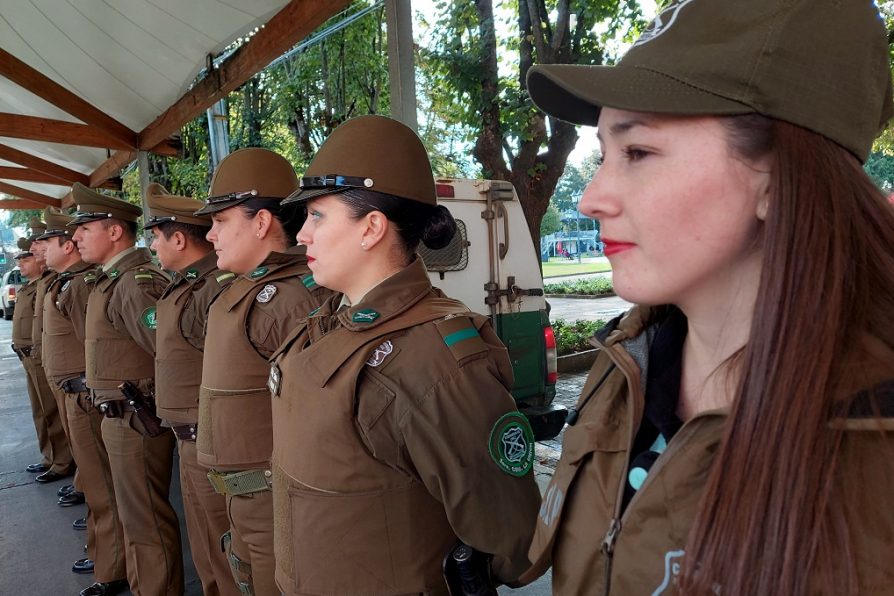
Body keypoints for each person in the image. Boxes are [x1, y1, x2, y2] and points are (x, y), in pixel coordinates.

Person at [521, 1, 894, 594]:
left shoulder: (875, 450)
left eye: (637, 153)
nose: (592, 198)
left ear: (776, 179)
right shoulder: (622, 366)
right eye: (603, 158)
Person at [269, 115, 541, 595]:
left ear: (371, 227)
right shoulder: (330, 320)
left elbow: (510, 536)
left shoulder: (434, 357)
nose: (301, 235)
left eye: (317, 215)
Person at [194, 148, 331, 596]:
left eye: (221, 220)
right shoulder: (250, 288)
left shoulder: (287, 297)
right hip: (249, 497)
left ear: (261, 223)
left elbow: (322, 416)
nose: (210, 234)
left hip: (274, 499)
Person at [70, 182, 183, 596]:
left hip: (136, 417)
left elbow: (169, 354)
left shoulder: (135, 282)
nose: (76, 237)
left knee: (146, 520)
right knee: (135, 518)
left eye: (85, 228)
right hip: (120, 415)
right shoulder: (113, 279)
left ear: (115, 231)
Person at [146, 184, 240, 596]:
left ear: (179, 238)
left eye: (155, 236)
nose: (151, 245)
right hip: (189, 436)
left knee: (226, 548)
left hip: (210, 440)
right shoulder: (185, 285)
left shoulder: (211, 289)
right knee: (205, 548)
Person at [38, 206, 128, 587]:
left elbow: (92, 345)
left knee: (104, 487)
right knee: (96, 483)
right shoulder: (72, 282)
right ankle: (103, 553)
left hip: (87, 394)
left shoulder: (84, 284)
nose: (75, 239)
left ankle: (112, 566)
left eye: (46, 242)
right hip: (77, 393)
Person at [11, 233, 73, 485]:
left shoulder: (50, 283)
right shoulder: (31, 287)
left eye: (26, 258)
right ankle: (50, 455)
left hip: (43, 356)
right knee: (41, 411)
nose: (22, 264)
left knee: (51, 411)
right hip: (29, 355)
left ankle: (62, 461)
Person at [28, 215, 77, 486]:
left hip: (78, 381)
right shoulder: (56, 280)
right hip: (56, 369)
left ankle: (79, 481)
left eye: (45, 242)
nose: (40, 249)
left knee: (93, 451)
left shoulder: (77, 283)